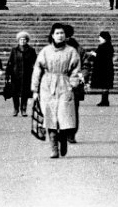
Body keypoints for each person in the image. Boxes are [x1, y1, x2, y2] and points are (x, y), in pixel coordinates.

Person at [31, 23, 81, 159]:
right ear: (52, 35)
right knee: (50, 116)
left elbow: (76, 69)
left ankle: (63, 138)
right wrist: (35, 90)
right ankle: (54, 148)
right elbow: (37, 70)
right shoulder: (45, 51)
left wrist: (72, 84)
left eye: (62, 33)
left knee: (64, 115)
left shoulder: (71, 51)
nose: (60, 36)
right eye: (57, 33)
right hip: (47, 85)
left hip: (64, 84)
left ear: (66, 36)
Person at [63, 24, 86, 144]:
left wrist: (82, 75)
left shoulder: (78, 49)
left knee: (73, 110)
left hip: (74, 84)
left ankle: (71, 134)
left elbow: (86, 65)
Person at [5, 31, 37, 117]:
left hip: (27, 75)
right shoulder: (14, 50)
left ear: (27, 40)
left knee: (25, 93)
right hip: (15, 75)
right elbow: (10, 62)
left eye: (24, 39)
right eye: (21, 39)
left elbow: (35, 62)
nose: (22, 41)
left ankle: (23, 109)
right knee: (15, 93)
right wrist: (8, 73)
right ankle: (16, 109)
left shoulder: (31, 50)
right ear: (18, 40)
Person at [88, 31, 115, 106]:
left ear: (104, 38)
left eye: (100, 37)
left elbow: (103, 57)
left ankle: (105, 101)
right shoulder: (108, 46)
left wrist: (94, 54)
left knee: (105, 85)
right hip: (106, 68)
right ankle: (104, 100)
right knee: (105, 85)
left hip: (105, 69)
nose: (99, 39)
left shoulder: (105, 46)